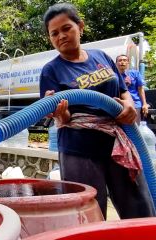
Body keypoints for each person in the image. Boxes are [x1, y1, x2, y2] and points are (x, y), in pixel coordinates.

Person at [40, 2, 155, 219]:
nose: (61, 36)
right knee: (89, 211)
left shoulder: (101, 57)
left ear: (80, 27)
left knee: (139, 205)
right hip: (79, 149)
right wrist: (60, 114)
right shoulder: (51, 70)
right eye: (54, 33)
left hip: (118, 143)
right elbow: (59, 116)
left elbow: (123, 91)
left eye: (66, 28)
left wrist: (129, 105)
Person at [116, 54, 148, 124]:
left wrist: (144, 104)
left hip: (135, 104)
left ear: (128, 63)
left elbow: (140, 89)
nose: (122, 62)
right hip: (119, 105)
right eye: (120, 60)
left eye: (125, 60)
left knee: (135, 128)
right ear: (116, 63)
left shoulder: (135, 73)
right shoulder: (113, 76)